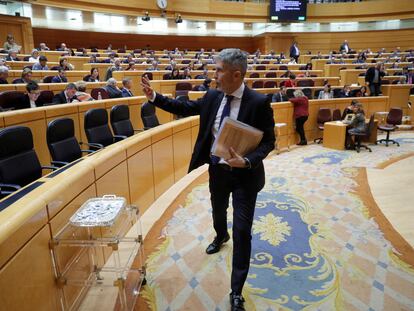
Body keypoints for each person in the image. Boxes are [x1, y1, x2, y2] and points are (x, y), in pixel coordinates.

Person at [141, 48, 275, 311]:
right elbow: (185, 106)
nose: (214, 75)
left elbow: (269, 142)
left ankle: (236, 291)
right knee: (217, 210)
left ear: (237, 74)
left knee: (243, 231)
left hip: (245, 176)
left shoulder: (258, 102)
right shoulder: (214, 96)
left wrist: (247, 160)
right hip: (217, 170)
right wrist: (154, 97)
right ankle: (220, 236)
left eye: (219, 70)